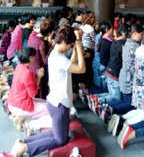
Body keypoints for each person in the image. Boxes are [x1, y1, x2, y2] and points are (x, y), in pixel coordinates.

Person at [5, 28, 87, 157]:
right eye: (70, 45)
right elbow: (81, 68)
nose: (70, 47)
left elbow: (71, 63)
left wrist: (76, 46)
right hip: (59, 103)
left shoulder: (56, 55)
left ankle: (23, 142)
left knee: (58, 134)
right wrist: (78, 46)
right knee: (59, 139)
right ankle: (25, 147)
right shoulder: (58, 58)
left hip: (55, 101)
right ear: (65, 42)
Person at [8, 47, 44, 132]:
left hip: (14, 102)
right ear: (30, 57)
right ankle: (30, 125)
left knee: (47, 104)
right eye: (34, 55)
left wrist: (35, 77)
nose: (35, 57)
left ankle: (21, 118)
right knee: (50, 109)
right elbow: (33, 94)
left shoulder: (19, 67)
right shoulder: (28, 73)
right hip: (20, 106)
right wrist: (38, 78)